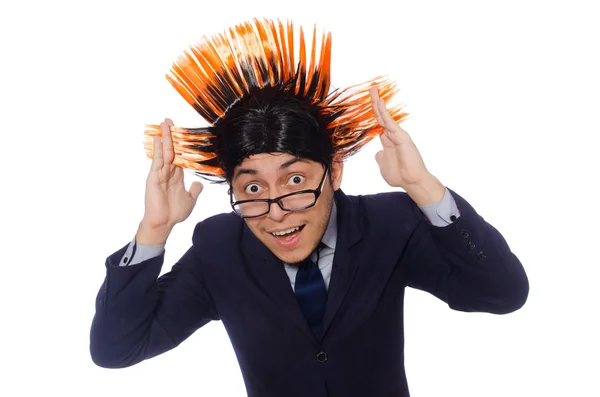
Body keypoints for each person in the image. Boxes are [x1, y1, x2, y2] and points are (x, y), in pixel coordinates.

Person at [90, 18, 529, 397]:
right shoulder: (218, 247)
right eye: (253, 188)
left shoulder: (390, 224)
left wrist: (423, 187)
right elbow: (116, 349)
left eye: (295, 180)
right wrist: (154, 228)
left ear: (334, 173)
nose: (276, 211)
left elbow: (502, 294)